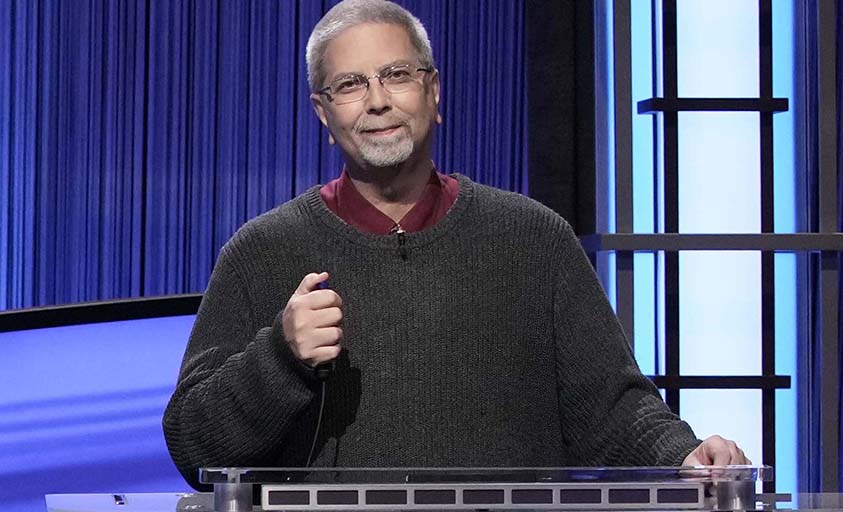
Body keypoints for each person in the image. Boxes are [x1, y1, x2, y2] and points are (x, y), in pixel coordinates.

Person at [162, 0, 748, 491]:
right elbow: (193, 445)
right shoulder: (264, 250)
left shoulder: (532, 238)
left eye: (397, 75)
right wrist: (280, 358)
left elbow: (611, 407)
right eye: (350, 84)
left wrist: (685, 457)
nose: (377, 101)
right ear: (323, 112)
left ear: (433, 91)